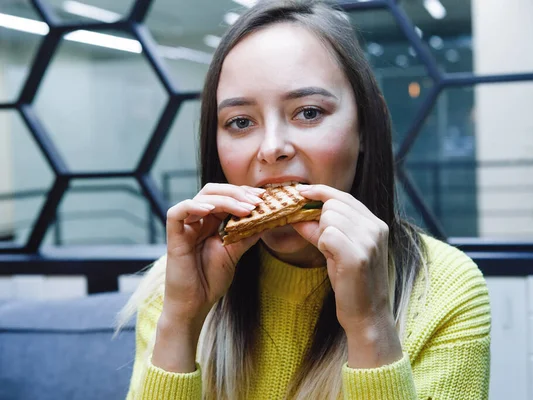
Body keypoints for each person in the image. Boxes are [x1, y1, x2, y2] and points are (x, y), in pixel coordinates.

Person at [117, 1, 491, 399]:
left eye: (308, 112)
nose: (272, 148)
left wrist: (369, 324)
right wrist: (181, 319)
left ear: (365, 128)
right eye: (240, 122)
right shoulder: (175, 279)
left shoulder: (446, 289)